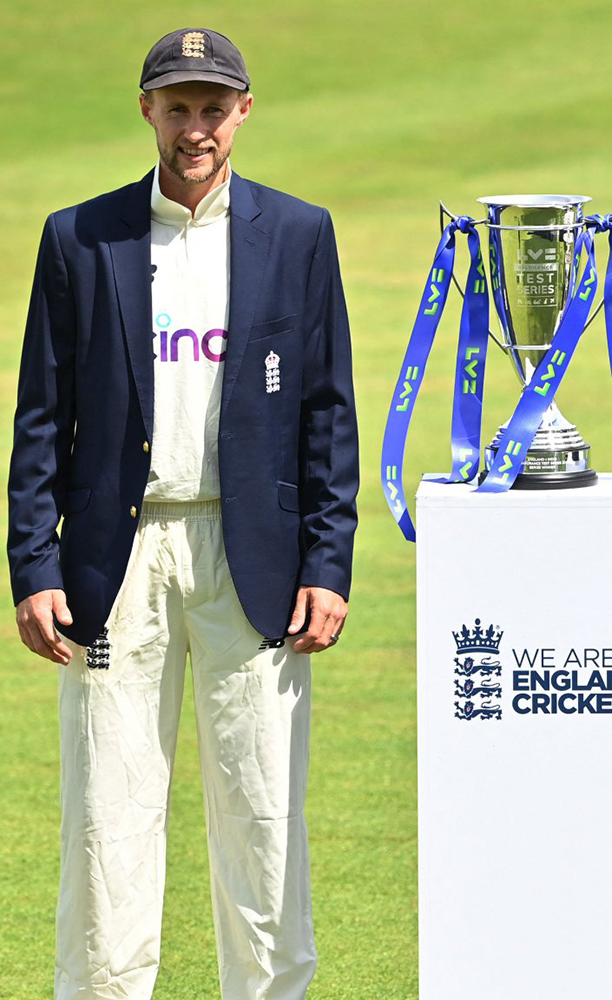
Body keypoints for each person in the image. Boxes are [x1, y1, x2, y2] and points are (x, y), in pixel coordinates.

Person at [8, 27, 359, 1000]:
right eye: (177, 107)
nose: (194, 127)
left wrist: (328, 564)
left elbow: (327, 411)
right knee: (108, 816)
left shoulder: (299, 234)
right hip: (116, 560)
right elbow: (41, 414)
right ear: (147, 111)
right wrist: (34, 564)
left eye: (212, 107)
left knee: (263, 813)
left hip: (257, 560)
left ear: (243, 112)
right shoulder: (81, 237)